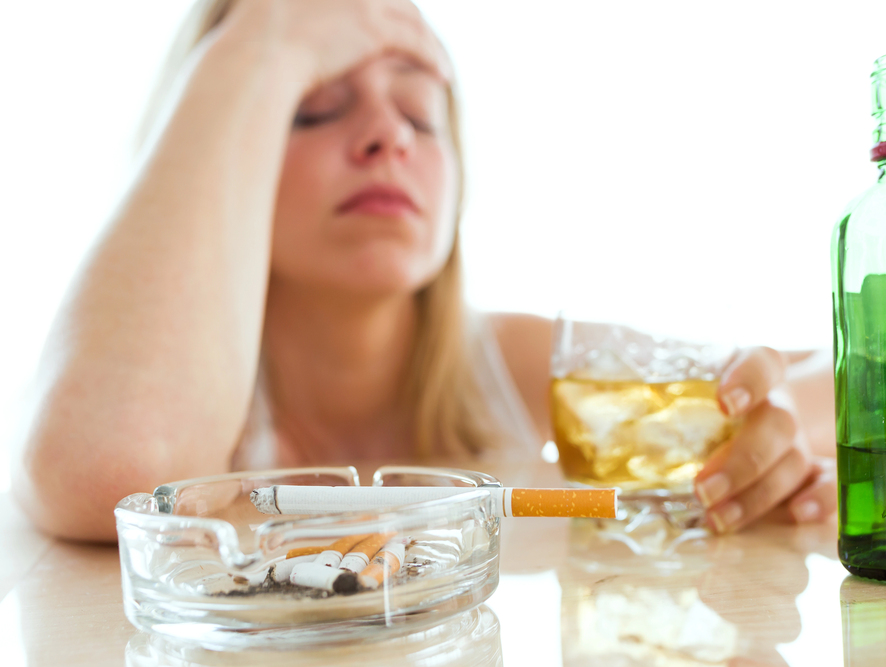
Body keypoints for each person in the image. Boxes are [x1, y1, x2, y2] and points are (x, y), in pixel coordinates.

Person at [12, 0, 836, 542]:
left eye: (416, 111)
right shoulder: (172, 395)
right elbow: (109, 470)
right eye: (311, 106)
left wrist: (769, 429)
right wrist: (266, 36)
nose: (387, 138)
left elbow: (826, 375)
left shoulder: (504, 366)